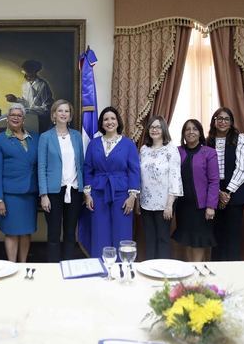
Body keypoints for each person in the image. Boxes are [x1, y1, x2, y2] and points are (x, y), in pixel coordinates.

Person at [83, 106, 140, 258]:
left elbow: (134, 171)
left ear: (118, 121)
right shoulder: (94, 144)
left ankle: (122, 269)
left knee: (122, 231)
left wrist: (132, 197)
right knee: (99, 231)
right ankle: (101, 269)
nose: (109, 122)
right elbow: (88, 169)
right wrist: (87, 195)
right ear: (101, 124)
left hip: (122, 194)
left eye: (113, 118)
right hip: (98, 193)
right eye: (106, 119)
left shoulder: (128, 144)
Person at [0, 103, 39, 262]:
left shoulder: (35, 138)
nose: (16, 118)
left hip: (29, 194)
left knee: (26, 231)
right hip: (10, 196)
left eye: (19, 115)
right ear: (7, 118)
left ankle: (23, 264)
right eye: (12, 115)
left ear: (23, 119)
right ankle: (12, 265)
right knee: (11, 232)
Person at [37, 99, 84, 262]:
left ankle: (69, 266)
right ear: (54, 115)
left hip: (75, 191)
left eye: (67, 111)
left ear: (70, 116)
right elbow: (41, 166)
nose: (64, 114)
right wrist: (43, 194)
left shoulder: (77, 136)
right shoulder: (45, 137)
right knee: (54, 233)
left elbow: (81, 165)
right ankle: (53, 269)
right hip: (53, 192)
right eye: (60, 111)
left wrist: (84, 190)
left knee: (71, 233)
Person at [206, 108, 244, 261]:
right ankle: (216, 271)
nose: (222, 122)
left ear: (231, 122)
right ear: (214, 121)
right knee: (216, 235)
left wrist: (227, 192)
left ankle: (232, 273)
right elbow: (204, 170)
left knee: (232, 236)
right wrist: (218, 192)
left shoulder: (241, 139)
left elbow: (242, 168)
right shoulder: (208, 141)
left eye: (226, 119)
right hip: (213, 191)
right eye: (219, 118)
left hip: (235, 190)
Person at [172, 119, 219, 262]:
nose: (191, 132)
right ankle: (190, 270)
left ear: (200, 133)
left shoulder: (209, 152)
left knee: (199, 241)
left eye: (195, 129)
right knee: (186, 240)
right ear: (183, 133)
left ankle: (197, 271)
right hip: (182, 206)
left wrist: (211, 206)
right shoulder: (177, 152)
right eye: (187, 129)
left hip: (201, 207)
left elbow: (214, 181)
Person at [137, 115, 183, 260]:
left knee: (163, 239)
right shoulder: (144, 149)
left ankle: (163, 273)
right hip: (146, 203)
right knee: (149, 239)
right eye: (151, 127)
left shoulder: (171, 149)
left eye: (158, 127)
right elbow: (139, 176)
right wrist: (138, 201)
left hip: (164, 203)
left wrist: (170, 204)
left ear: (164, 129)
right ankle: (150, 271)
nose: (154, 129)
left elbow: (175, 177)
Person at [6, 59, 54, 132]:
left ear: (33, 72)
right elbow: (26, 103)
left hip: (40, 120)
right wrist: (15, 99)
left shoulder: (42, 85)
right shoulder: (25, 85)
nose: (24, 75)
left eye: (26, 72)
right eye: (23, 72)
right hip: (29, 118)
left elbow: (46, 108)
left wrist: (30, 110)